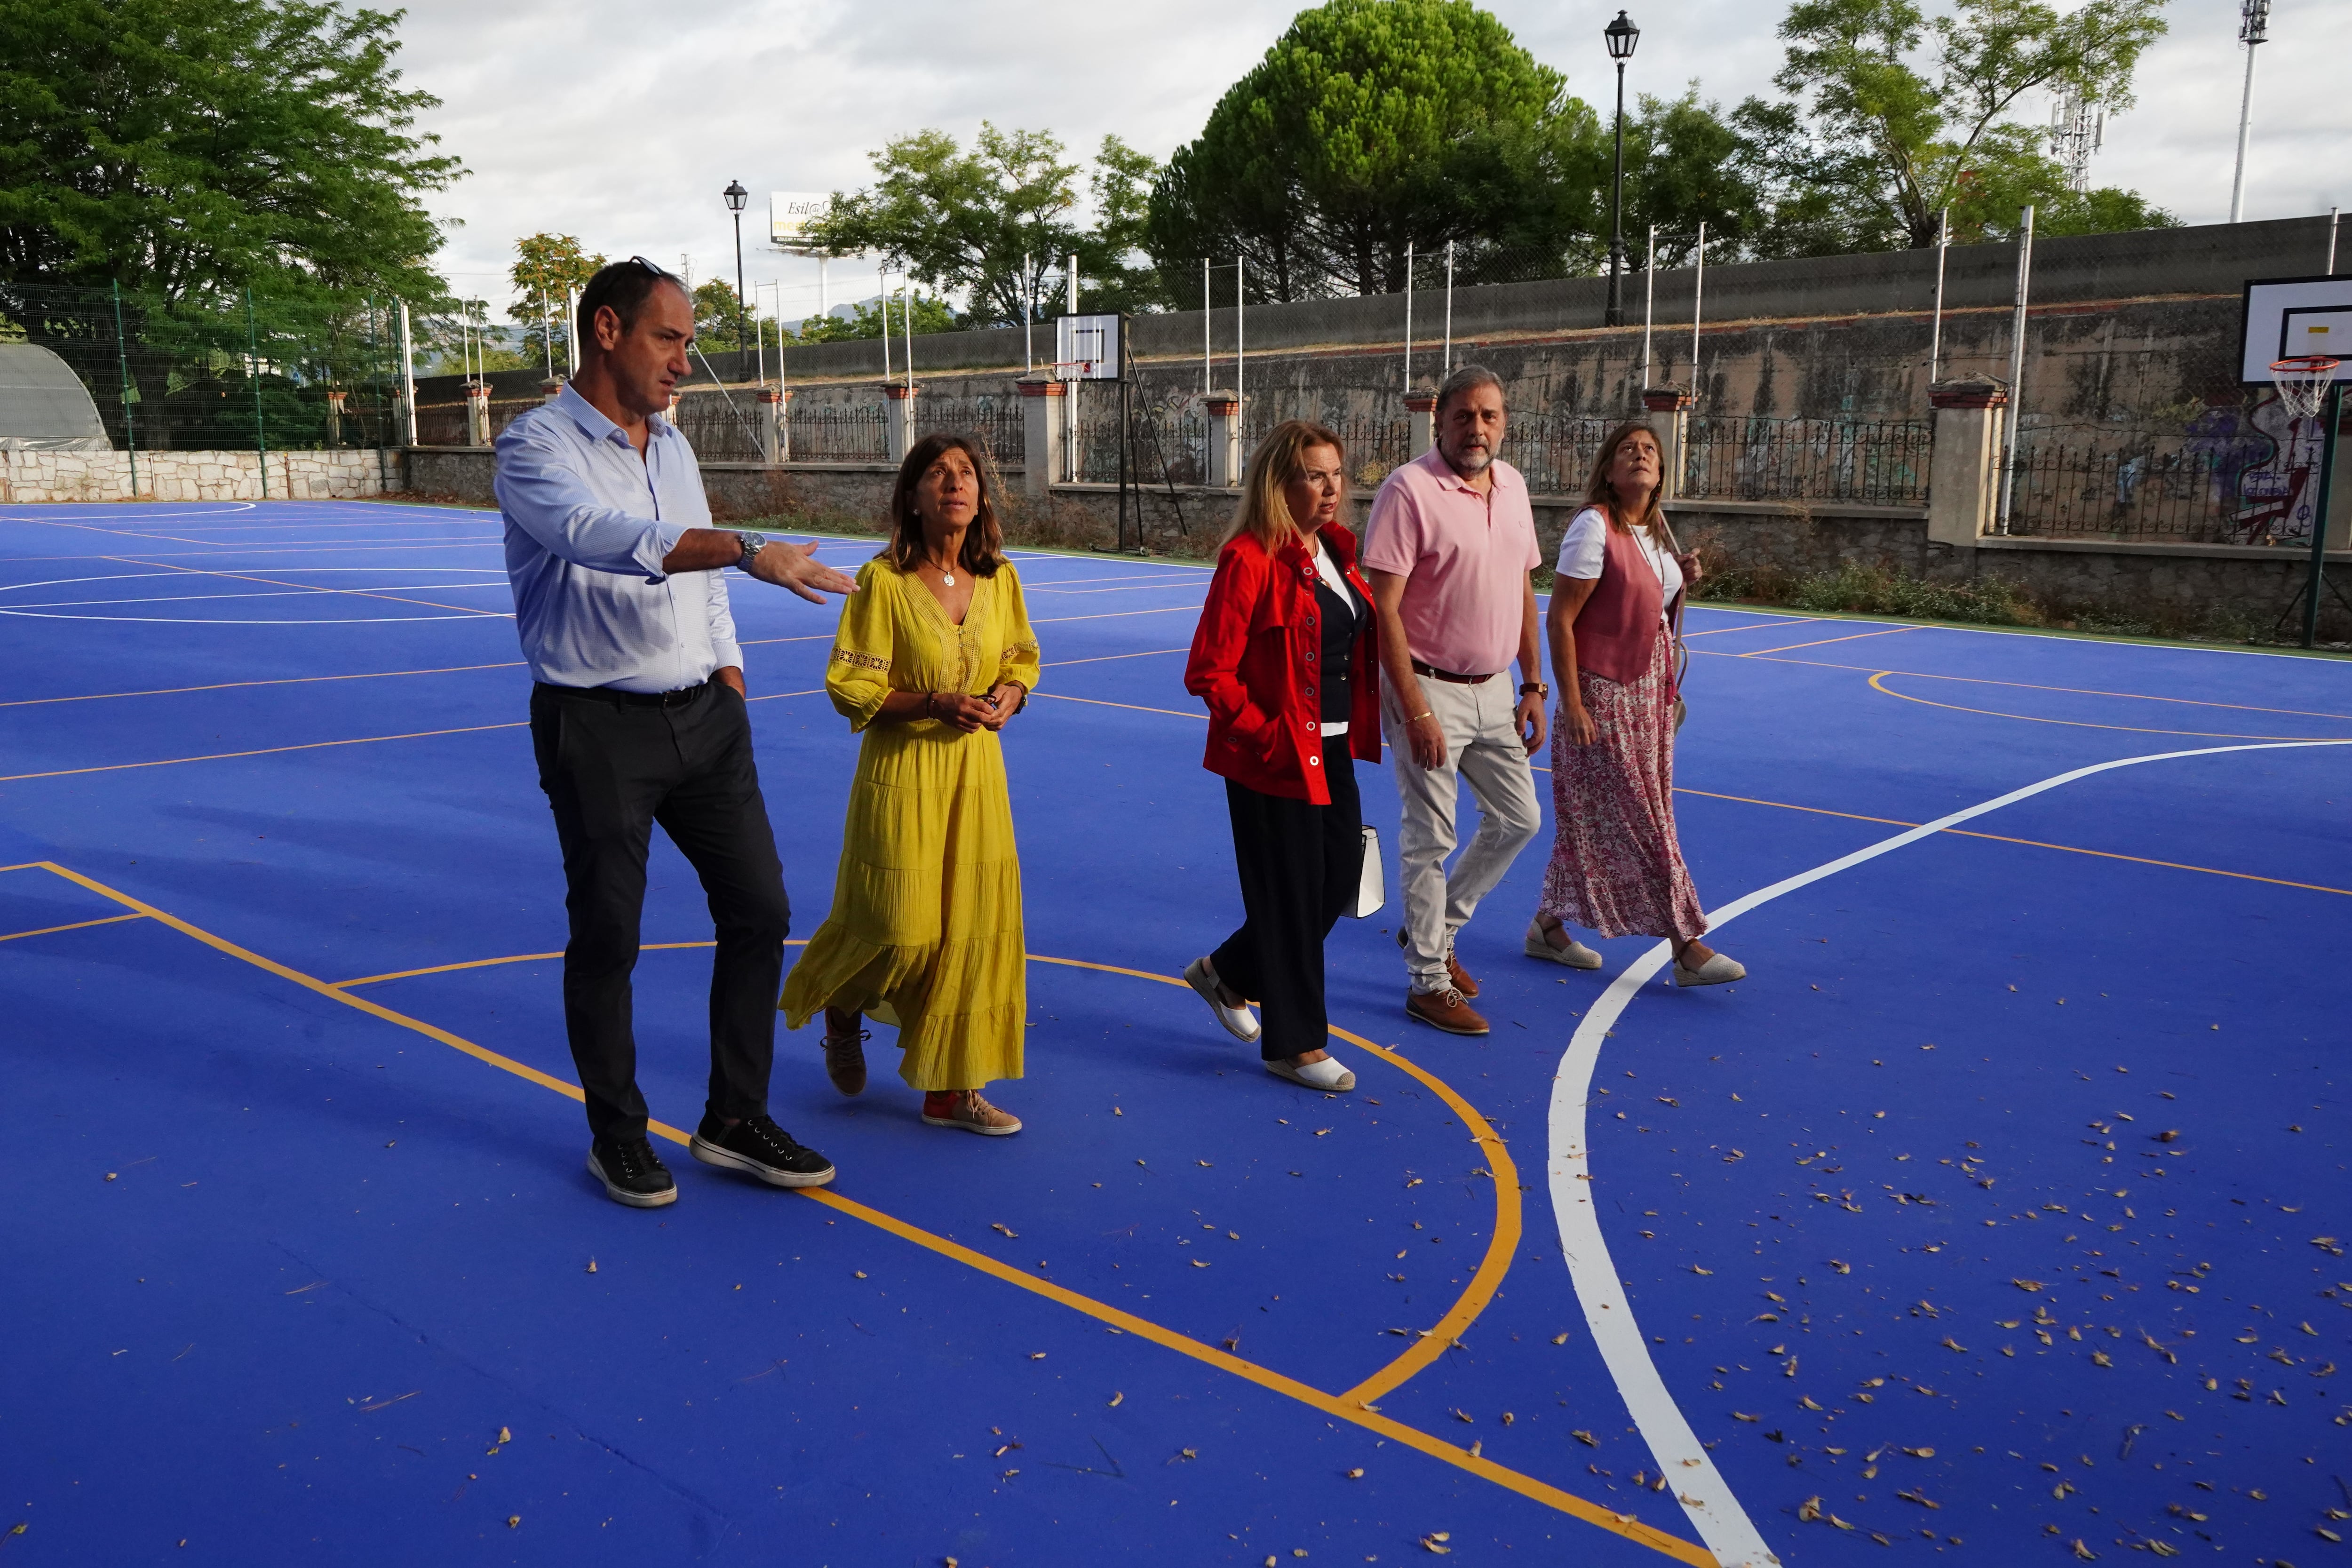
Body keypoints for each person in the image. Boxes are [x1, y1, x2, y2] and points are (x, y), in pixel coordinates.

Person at [494, 256, 858, 1209]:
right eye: (670, 337)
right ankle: (617, 1132)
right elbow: (598, 537)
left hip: (705, 717)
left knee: (762, 911)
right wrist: (747, 549)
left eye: (688, 343)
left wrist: (729, 674)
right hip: (595, 726)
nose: (685, 363)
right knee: (609, 932)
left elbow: (700, 584)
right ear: (606, 330)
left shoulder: (676, 449)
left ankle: (733, 1116)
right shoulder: (535, 447)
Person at [779, 432, 1041, 1135]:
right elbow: (851, 684)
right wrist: (933, 703)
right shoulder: (883, 582)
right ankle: (839, 1005)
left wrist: (1010, 694)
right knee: (898, 928)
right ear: (913, 498)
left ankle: (953, 1089)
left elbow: (1020, 656)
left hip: (977, 775)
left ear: (980, 496)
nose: (954, 482)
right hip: (903, 775)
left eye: (965, 473)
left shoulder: (1001, 578)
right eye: (936, 473)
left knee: (970, 931)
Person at [1182, 421, 1382, 1092]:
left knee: (1340, 878)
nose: (1330, 489)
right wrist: (1265, 737)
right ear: (1279, 483)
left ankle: (1229, 973)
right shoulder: (1249, 559)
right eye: (1313, 476)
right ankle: (1293, 1046)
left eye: (1336, 475)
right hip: (1275, 757)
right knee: (1294, 898)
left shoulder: (1336, 552)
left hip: (1332, 749)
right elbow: (1211, 671)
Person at [1359, 365, 1547, 1037]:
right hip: (1428, 685)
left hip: (1496, 689)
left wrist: (1532, 685)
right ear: (1438, 419)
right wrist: (1413, 707)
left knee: (1519, 818)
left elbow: (1525, 591)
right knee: (1431, 836)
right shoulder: (1409, 491)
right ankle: (1428, 982)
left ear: (1505, 422)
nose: (1477, 428)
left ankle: (1432, 932)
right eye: (1464, 416)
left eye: (1490, 416)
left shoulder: (1515, 487)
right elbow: (1384, 607)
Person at [1527, 419, 1744, 987]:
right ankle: (1686, 945)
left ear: (1660, 471)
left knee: (1609, 816)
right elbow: (1561, 619)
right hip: (1604, 693)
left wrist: (1682, 578)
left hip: (1650, 692)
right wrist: (1571, 703)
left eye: (1649, 450)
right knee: (1642, 819)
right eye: (1627, 449)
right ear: (1607, 468)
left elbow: (1649, 600)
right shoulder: (1592, 528)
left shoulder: (1656, 533)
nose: (1640, 455)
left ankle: (1546, 926)